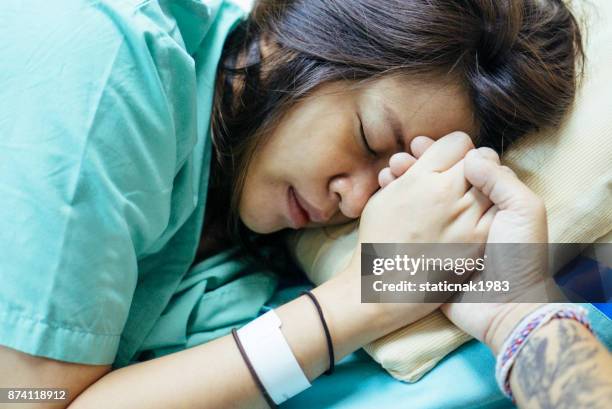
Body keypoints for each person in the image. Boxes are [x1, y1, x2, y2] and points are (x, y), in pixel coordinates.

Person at [1, 0, 608, 408]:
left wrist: (514, 315)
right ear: (302, 33)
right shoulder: (110, 71)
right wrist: (358, 299)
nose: (357, 197)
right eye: (370, 140)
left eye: (395, 180)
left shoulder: (239, 244)